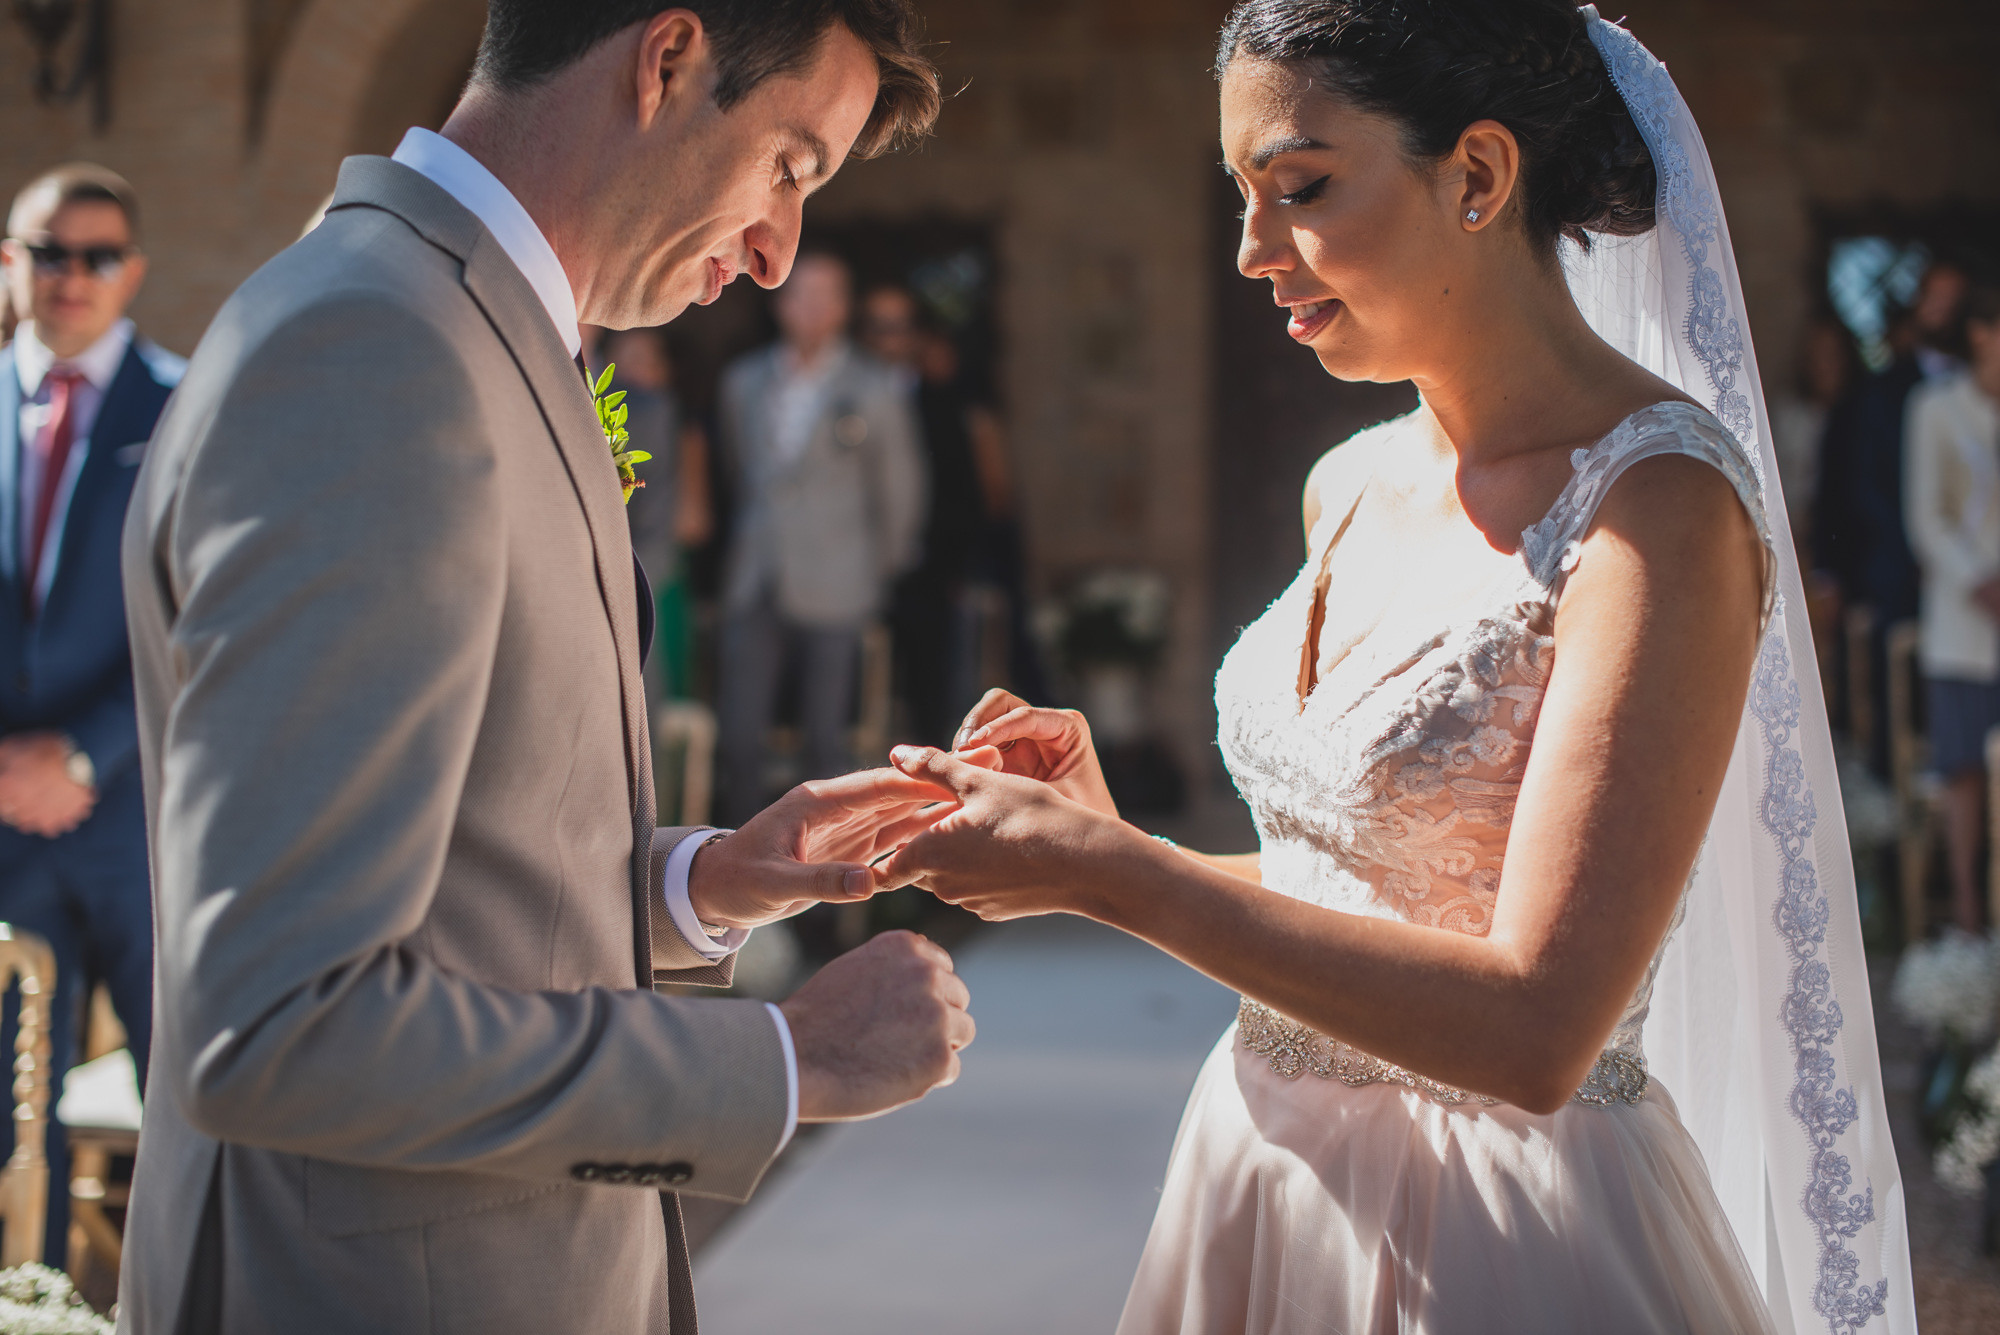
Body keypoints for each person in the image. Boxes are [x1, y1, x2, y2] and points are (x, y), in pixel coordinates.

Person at [876, 3, 1915, 1332]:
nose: (1253, 250)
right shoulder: (1349, 481)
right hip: (1259, 1172)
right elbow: (1377, 894)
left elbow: (1542, 1025)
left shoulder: (1654, 509)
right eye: (1243, 197)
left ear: (1477, 175)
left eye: (1300, 187)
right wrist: (1108, 838)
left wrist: (1118, 879)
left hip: (1500, 1228)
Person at [117, 5, 970, 1333]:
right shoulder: (374, 353)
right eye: (790, 166)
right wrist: (791, 1058)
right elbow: (283, 1018)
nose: (776, 247)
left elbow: (450, 886)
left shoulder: (474, 327)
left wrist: (705, 884)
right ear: (669, 56)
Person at [0, 163, 180, 1263]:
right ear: (9, 262)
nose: (74, 276)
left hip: (135, 820)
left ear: (134, 272)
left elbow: (209, 613)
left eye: (98, 255)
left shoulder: (188, 406)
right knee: (13, 1129)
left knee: (186, 1104)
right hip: (0, 831)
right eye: (49, 251)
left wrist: (84, 754)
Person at [715, 252, 925, 823]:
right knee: (739, 734)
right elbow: (740, 472)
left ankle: (820, 893)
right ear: (779, 302)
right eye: (798, 295)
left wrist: (875, 571)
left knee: (826, 742)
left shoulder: (875, 387)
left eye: (824, 296)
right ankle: (729, 875)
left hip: (841, 581)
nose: (809, 308)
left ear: (842, 308)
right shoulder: (744, 381)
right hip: (757, 575)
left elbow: (899, 489)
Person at [862, 284, 1014, 745]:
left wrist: (958, 561)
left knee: (935, 684)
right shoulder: (844, 393)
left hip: (933, 563)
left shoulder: (943, 396)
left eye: (900, 328)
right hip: (850, 560)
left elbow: (974, 486)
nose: (889, 340)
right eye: (878, 328)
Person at [1904, 277, 2000, 933]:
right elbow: (1925, 516)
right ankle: (1969, 916)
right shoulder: (1936, 407)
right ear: (1980, 332)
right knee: (1964, 770)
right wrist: (1980, 579)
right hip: (1964, 620)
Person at [598, 324, 715, 703]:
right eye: (628, 360)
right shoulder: (612, 417)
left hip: (657, 562)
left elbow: (693, 519)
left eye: (649, 360)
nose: (638, 371)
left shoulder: (671, 418)